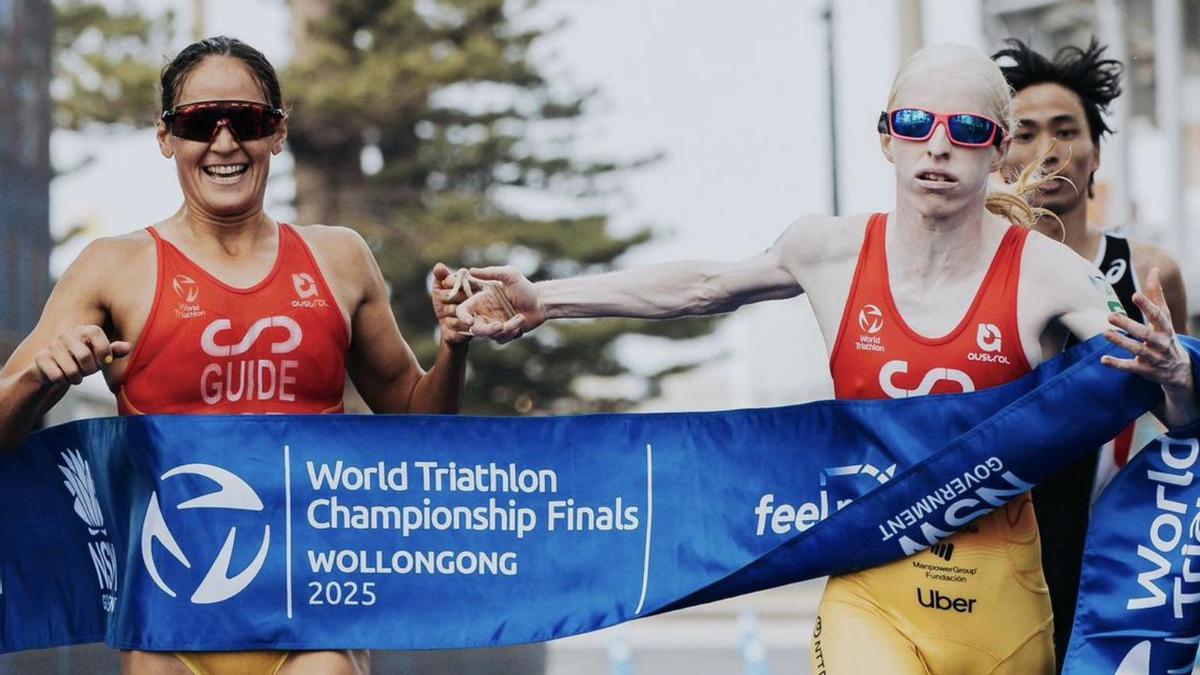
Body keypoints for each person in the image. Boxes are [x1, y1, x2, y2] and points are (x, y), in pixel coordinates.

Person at [456, 44, 1198, 674]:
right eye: (917, 124)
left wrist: (1175, 373)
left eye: (966, 128)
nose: (938, 145)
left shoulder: (1051, 273)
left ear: (998, 149)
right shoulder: (831, 251)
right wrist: (547, 299)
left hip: (1003, 602)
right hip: (871, 588)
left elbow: (1176, 409)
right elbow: (700, 286)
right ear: (887, 138)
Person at [0, 37, 475, 675]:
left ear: (276, 133)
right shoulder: (112, 268)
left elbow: (422, 428)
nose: (225, 144)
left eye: (246, 121)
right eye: (199, 122)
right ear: (166, 137)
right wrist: (39, 373)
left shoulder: (340, 257)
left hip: (311, 616)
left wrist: (453, 347)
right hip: (170, 621)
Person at [994, 38, 1191, 671]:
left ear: (1095, 153)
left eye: (1065, 130)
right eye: (1023, 132)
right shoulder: (970, 271)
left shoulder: (1147, 271)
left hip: (1109, 539)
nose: (1046, 150)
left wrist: (1179, 381)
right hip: (990, 535)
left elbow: (1184, 423)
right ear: (998, 151)